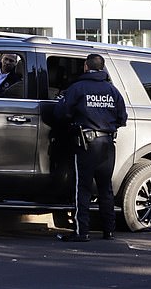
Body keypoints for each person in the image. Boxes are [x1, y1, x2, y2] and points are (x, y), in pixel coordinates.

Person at [54, 54, 128, 242]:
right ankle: (108, 231)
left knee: (83, 188)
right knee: (105, 189)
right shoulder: (113, 90)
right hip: (108, 144)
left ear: (86, 67)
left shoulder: (78, 88)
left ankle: (82, 232)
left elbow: (61, 113)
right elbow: (122, 118)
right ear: (102, 68)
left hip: (87, 144)